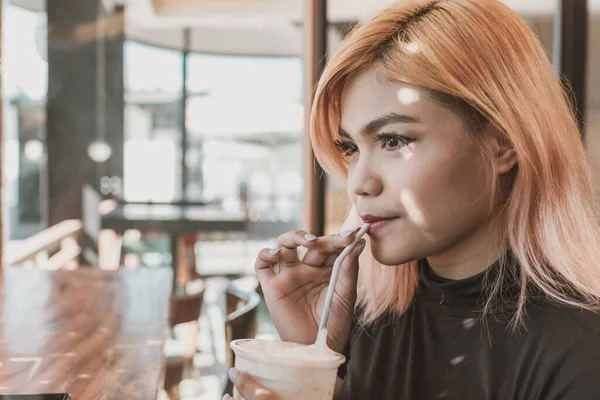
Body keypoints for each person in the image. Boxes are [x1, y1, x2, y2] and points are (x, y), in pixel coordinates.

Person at [225, 0, 600, 398]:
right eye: (350, 147)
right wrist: (311, 356)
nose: (358, 183)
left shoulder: (579, 353)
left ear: (503, 143)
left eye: (393, 140)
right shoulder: (366, 316)